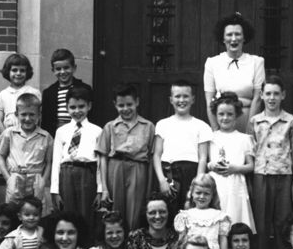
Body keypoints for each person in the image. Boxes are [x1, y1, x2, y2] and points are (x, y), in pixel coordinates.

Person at [250, 76, 293, 249]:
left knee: (282, 223)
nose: (272, 98)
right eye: (268, 93)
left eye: (276, 94)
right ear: (262, 96)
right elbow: (251, 149)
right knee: (261, 224)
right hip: (261, 176)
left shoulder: (291, 121)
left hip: (284, 176)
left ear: (283, 95)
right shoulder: (255, 121)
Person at [97, 83, 155, 231]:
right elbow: (103, 158)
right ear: (115, 105)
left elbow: (151, 157)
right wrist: (104, 188)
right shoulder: (110, 127)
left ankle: (133, 246)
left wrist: (149, 187)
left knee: (135, 211)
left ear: (137, 102)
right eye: (121, 105)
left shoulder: (148, 126)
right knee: (115, 210)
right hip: (115, 168)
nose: (125, 109)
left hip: (138, 168)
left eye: (129, 104)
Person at [153, 80, 212, 213]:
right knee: (167, 211)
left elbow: (203, 157)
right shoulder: (162, 124)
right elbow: (157, 155)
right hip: (168, 173)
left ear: (193, 99)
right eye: (177, 96)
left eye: (185, 96)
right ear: (171, 99)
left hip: (191, 173)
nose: (181, 100)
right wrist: (162, 180)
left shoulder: (201, 126)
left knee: (188, 211)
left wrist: (197, 183)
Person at [50, 85, 103, 226]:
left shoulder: (97, 131)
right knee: (68, 215)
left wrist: (100, 190)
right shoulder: (61, 131)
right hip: (66, 174)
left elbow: (100, 164)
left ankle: (86, 246)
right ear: (67, 107)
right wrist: (54, 190)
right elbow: (56, 162)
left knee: (87, 214)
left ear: (89, 106)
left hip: (87, 174)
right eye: (73, 107)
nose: (77, 111)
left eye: (81, 106)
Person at [203, 12, 266, 131]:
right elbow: (209, 101)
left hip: (248, 121)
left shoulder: (257, 62)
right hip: (222, 122)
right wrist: (216, 131)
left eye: (237, 34)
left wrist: (249, 131)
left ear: (244, 37)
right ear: (223, 38)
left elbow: (258, 98)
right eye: (229, 34)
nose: (233, 39)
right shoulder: (212, 63)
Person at [0, 92, 52, 206]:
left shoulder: (46, 137)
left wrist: (43, 180)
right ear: (16, 114)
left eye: (32, 114)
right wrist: (8, 178)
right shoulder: (8, 133)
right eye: (23, 114)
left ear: (39, 115)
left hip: (36, 180)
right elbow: (1, 156)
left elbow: (49, 162)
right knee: (12, 211)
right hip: (15, 178)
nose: (27, 118)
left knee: (34, 212)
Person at [207, 92, 256, 230]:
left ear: (237, 115)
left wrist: (235, 169)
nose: (225, 118)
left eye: (230, 114)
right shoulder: (211, 137)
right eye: (221, 114)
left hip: (236, 184)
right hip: (217, 183)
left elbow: (251, 166)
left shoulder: (245, 139)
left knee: (234, 219)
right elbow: (206, 162)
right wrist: (212, 165)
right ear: (216, 115)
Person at [174, 174, 231, 249]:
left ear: (212, 195)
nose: (202, 196)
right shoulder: (186, 215)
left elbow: (223, 239)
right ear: (191, 193)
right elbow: (181, 241)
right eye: (198, 193)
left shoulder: (219, 216)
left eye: (206, 193)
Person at [40, 47, 94, 137]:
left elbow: (92, 116)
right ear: (53, 70)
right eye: (58, 69)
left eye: (66, 68)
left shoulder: (85, 89)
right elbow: (46, 122)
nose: (62, 72)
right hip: (57, 135)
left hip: (81, 132)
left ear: (74, 68)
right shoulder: (48, 93)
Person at [0, 52, 40, 134]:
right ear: (8, 72)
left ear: (27, 72)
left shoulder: (33, 92)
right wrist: (6, 137)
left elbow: (38, 117)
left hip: (29, 135)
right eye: (14, 70)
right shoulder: (3, 95)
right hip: (8, 135)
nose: (18, 73)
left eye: (22, 70)